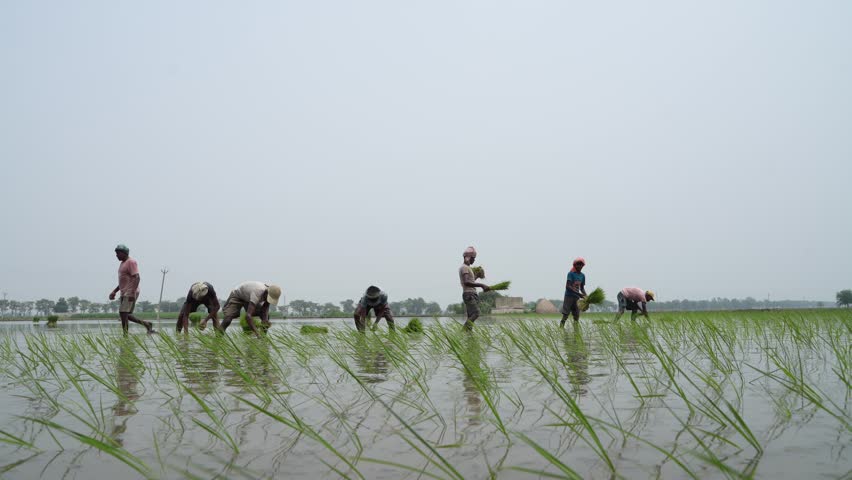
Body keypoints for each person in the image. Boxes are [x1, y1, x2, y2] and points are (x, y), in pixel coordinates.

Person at [109, 244, 155, 334]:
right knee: (127, 314)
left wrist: (132, 292)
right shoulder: (122, 264)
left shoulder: (131, 262)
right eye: (116, 253)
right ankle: (147, 324)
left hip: (129, 292)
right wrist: (114, 291)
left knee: (123, 313)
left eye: (118, 253)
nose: (116, 255)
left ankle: (125, 335)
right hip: (124, 292)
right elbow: (123, 281)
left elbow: (137, 277)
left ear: (124, 253)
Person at [459, 246, 491, 330]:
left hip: (471, 294)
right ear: (468, 257)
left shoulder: (467, 268)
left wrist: (477, 275)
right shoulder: (464, 268)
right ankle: (462, 332)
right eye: (473, 258)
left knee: (470, 316)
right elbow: (466, 282)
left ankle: (468, 335)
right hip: (469, 294)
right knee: (476, 313)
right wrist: (482, 285)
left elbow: (470, 281)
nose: (474, 260)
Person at [560, 257, 587, 327]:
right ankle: (561, 328)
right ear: (575, 265)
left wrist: (587, 296)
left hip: (576, 298)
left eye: (581, 265)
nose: (579, 266)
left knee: (576, 316)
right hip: (568, 297)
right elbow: (568, 286)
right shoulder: (571, 274)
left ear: (583, 266)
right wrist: (579, 294)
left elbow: (582, 288)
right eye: (578, 264)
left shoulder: (582, 276)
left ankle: (576, 331)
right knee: (565, 315)